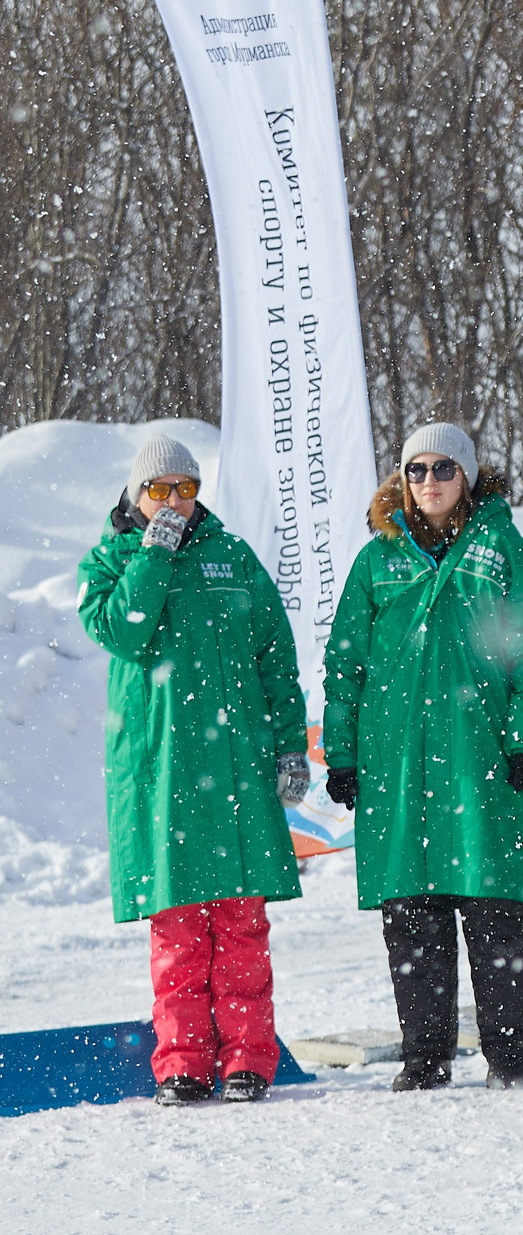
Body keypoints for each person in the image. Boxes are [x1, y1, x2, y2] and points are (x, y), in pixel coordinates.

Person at [322, 423, 523, 1091]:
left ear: (468, 475)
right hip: (396, 766)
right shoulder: (378, 560)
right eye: (417, 469)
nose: (429, 481)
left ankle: (507, 1058)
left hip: (478, 760)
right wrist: (341, 750)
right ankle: (423, 1057)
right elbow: (345, 663)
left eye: (444, 468)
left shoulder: (505, 549)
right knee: (411, 916)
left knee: (494, 912)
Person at [80, 434, 306, 1106]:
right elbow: (125, 629)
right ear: (135, 493)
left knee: (241, 927)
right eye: (160, 489)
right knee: (178, 929)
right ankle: (181, 1062)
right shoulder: (111, 561)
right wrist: (154, 554)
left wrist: (290, 747)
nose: (174, 501)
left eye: (185, 488)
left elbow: (277, 661)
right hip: (163, 775)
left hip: (235, 770)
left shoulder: (233, 557)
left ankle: (247, 1061)